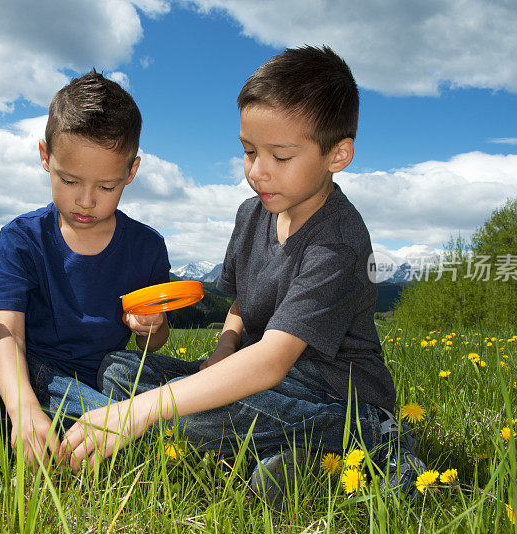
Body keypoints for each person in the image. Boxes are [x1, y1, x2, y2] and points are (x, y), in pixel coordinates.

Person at [57, 46, 425, 505]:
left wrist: (142, 412)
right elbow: (240, 304)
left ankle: (372, 437)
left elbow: (272, 361)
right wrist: (223, 349)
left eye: (281, 156)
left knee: (164, 409)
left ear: (338, 154)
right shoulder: (252, 214)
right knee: (118, 371)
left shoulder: (339, 240)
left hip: (330, 390)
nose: (258, 172)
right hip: (255, 376)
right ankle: (281, 454)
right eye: (249, 151)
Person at [0, 70, 171, 469]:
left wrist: (153, 329)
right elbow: (9, 337)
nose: (86, 200)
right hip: (7, 376)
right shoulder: (22, 238)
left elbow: (153, 346)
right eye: (70, 180)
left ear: (131, 172)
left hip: (82, 391)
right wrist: (22, 407)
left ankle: (2, 446)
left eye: (107, 187)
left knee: (142, 434)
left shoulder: (147, 247)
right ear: (46, 156)